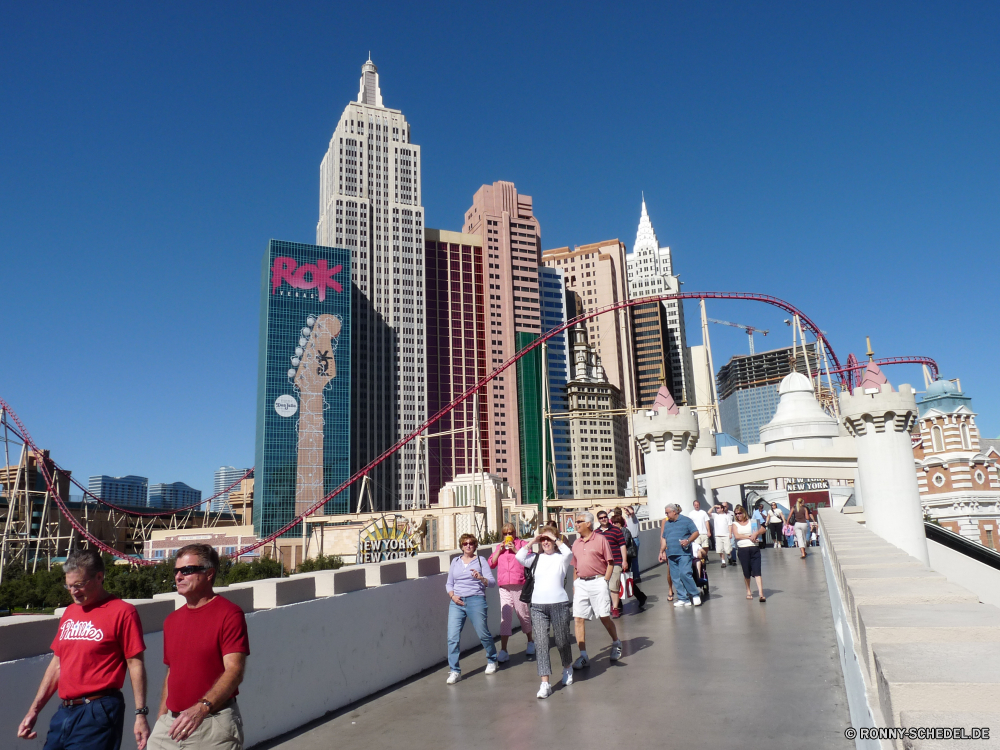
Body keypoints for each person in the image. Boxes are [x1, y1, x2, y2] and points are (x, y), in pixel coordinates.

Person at [18, 548, 150, 750]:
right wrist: (33, 711)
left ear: (99, 577)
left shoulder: (123, 612)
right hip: (65, 711)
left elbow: (135, 664)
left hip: (99, 709)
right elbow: (57, 664)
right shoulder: (70, 612)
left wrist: (140, 713)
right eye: (69, 586)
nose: (73, 592)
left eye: (79, 585)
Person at [149, 544, 249, 750]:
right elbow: (172, 673)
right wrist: (161, 718)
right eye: (176, 571)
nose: (178, 576)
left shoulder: (229, 614)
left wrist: (202, 707)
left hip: (211, 723)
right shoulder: (171, 621)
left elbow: (235, 670)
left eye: (186, 570)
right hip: (171, 725)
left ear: (209, 573)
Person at [514, 526, 575, 698]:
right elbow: (519, 556)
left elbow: (569, 553)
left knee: (562, 641)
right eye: (544, 540)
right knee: (541, 644)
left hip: (559, 604)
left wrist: (554, 537)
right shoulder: (535, 558)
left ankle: (567, 667)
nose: (546, 542)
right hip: (538, 606)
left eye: (549, 539)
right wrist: (533, 541)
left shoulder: (561, 558)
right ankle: (545, 683)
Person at [570, 512, 622, 667]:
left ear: (588, 523)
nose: (576, 523)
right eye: (576, 521)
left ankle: (616, 642)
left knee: (604, 616)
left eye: (579, 521)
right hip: (581, 583)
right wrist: (575, 584)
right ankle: (583, 655)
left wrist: (604, 581)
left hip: (598, 581)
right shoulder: (576, 543)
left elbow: (610, 563)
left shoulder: (600, 540)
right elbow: (575, 565)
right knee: (578, 618)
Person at [445, 534, 498, 683]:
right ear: (461, 546)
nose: (468, 546)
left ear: (475, 546)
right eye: (465, 543)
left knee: (483, 633)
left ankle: (492, 659)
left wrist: (481, 578)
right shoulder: (455, 561)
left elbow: (492, 583)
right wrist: (452, 596)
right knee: (452, 637)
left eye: (471, 543)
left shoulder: (481, 561)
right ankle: (454, 670)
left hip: (476, 599)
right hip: (457, 602)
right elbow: (449, 583)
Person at [488, 523, 535, 662]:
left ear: (515, 533)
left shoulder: (523, 544)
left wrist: (515, 550)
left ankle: (530, 641)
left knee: (523, 614)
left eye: (511, 532)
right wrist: (499, 551)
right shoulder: (499, 547)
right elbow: (491, 563)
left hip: (519, 584)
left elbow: (530, 559)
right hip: (504, 586)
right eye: (505, 533)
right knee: (505, 617)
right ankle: (503, 649)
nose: (508, 535)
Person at [658, 504, 701, 606]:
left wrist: (688, 540)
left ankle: (695, 595)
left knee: (685, 573)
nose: (666, 515)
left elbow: (695, 532)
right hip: (671, 554)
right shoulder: (667, 523)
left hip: (683, 553)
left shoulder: (686, 521)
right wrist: (661, 551)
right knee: (675, 577)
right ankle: (683, 598)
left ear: (674, 512)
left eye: (667, 513)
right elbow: (664, 538)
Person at [595, 510, 628, 618]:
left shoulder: (616, 531)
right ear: (598, 520)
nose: (603, 519)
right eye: (601, 518)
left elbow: (622, 546)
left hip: (616, 562)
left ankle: (615, 608)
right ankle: (607, 606)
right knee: (603, 587)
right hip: (601, 564)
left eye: (605, 517)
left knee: (614, 586)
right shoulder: (596, 533)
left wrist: (624, 561)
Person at [613, 515, 648, 610]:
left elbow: (623, 543)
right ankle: (618, 604)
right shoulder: (616, 532)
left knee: (625, 580)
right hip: (617, 558)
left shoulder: (625, 531)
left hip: (626, 558)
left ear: (619, 523)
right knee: (617, 581)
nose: (614, 524)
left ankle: (640, 596)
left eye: (615, 522)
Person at [733, 506, 766, 602]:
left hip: (754, 547)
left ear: (744, 513)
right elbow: (737, 536)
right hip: (743, 549)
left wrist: (756, 534)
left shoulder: (752, 522)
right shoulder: (735, 524)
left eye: (740, 513)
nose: (738, 515)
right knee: (746, 572)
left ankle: (761, 593)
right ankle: (748, 590)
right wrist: (749, 536)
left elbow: (763, 529)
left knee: (757, 571)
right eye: (736, 514)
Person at [622, 506, 642, 583]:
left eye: (627, 510)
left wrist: (627, 507)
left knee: (634, 559)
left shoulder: (634, 518)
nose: (626, 512)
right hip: (630, 540)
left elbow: (632, 512)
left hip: (634, 540)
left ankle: (636, 577)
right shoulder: (628, 520)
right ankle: (633, 576)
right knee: (631, 559)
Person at [711, 503, 733, 568]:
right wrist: (714, 506)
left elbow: (729, 525)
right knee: (720, 550)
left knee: (728, 550)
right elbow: (709, 512)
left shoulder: (727, 516)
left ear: (722, 509)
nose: (717, 509)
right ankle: (723, 561)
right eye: (716, 508)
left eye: (718, 508)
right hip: (718, 535)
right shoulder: (715, 515)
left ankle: (729, 557)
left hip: (726, 535)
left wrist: (730, 533)